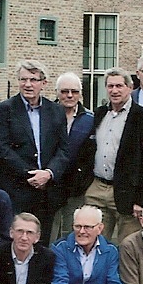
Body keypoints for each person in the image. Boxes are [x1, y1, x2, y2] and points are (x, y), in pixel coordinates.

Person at [74, 67, 143, 245]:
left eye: (119, 86)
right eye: (110, 86)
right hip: (96, 189)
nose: (114, 90)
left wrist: (142, 200)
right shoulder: (99, 114)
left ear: (130, 87)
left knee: (127, 247)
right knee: (94, 246)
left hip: (128, 193)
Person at [0, 59, 69, 239]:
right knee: (18, 239)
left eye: (33, 80)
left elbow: (64, 149)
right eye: (23, 79)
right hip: (18, 189)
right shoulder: (5, 109)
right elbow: (2, 149)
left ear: (44, 83)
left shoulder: (56, 111)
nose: (28, 84)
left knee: (42, 242)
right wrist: (31, 174)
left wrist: (49, 173)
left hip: (47, 192)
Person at [47, 72, 95, 241]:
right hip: (49, 186)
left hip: (76, 188)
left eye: (74, 91)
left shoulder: (90, 119)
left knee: (72, 232)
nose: (69, 95)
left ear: (80, 93)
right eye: (64, 91)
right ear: (56, 92)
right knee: (49, 233)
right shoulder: (45, 115)